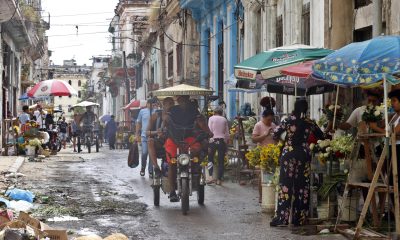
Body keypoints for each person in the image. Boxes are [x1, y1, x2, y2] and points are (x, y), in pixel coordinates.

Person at [270, 99, 325, 227]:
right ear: (306, 109)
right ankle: (299, 218)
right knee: (302, 187)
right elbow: (321, 136)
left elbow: (275, 134)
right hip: (304, 155)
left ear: (295, 107)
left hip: (288, 154)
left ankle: (282, 218)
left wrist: (285, 139)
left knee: (286, 186)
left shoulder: (287, 120)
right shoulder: (310, 122)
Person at [164, 95, 211, 202]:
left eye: (186, 100)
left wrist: (208, 131)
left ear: (188, 100)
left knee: (196, 153)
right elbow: (165, 120)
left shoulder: (194, 110)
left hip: (189, 138)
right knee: (172, 162)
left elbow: (201, 122)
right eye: (181, 100)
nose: (183, 102)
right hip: (174, 139)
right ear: (178, 101)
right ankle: (172, 191)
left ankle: (195, 170)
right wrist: (164, 122)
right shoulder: (172, 110)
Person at [147, 97, 175, 177]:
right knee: (150, 141)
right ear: (163, 105)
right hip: (161, 142)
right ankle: (156, 167)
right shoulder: (155, 116)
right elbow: (146, 132)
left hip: (174, 140)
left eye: (172, 104)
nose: (170, 106)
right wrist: (157, 132)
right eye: (168, 104)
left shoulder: (177, 114)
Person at [207, 106, 229, 185]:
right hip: (221, 141)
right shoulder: (224, 119)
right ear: (221, 112)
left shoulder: (211, 118)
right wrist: (226, 142)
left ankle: (210, 177)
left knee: (210, 159)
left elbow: (209, 130)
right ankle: (219, 179)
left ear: (214, 112)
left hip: (212, 140)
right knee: (221, 161)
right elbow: (226, 133)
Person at [135, 100, 155, 177]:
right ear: (147, 104)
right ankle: (143, 167)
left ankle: (150, 170)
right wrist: (137, 134)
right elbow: (138, 123)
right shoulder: (142, 111)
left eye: (152, 103)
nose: (150, 105)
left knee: (151, 154)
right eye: (149, 104)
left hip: (153, 136)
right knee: (144, 153)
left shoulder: (156, 112)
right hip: (144, 136)